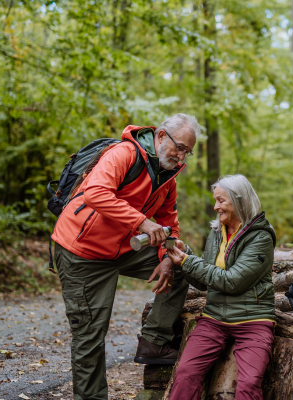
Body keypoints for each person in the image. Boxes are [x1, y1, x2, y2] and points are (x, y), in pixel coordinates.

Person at [51, 113, 200, 400]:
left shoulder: (167, 176)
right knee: (90, 337)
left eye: (187, 152)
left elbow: (169, 220)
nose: (181, 156)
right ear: (160, 136)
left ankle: (154, 341)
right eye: (179, 147)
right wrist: (143, 223)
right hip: (83, 251)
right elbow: (95, 193)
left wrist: (167, 255)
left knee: (182, 258)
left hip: (124, 247)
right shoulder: (124, 153)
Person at [165, 174, 276, 400]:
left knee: (249, 383)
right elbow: (204, 280)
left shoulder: (261, 237)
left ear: (239, 201)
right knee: (185, 373)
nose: (215, 207)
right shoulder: (217, 231)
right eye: (215, 200)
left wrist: (188, 262)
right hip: (214, 318)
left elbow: (233, 281)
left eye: (221, 201)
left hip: (253, 320)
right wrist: (184, 254)